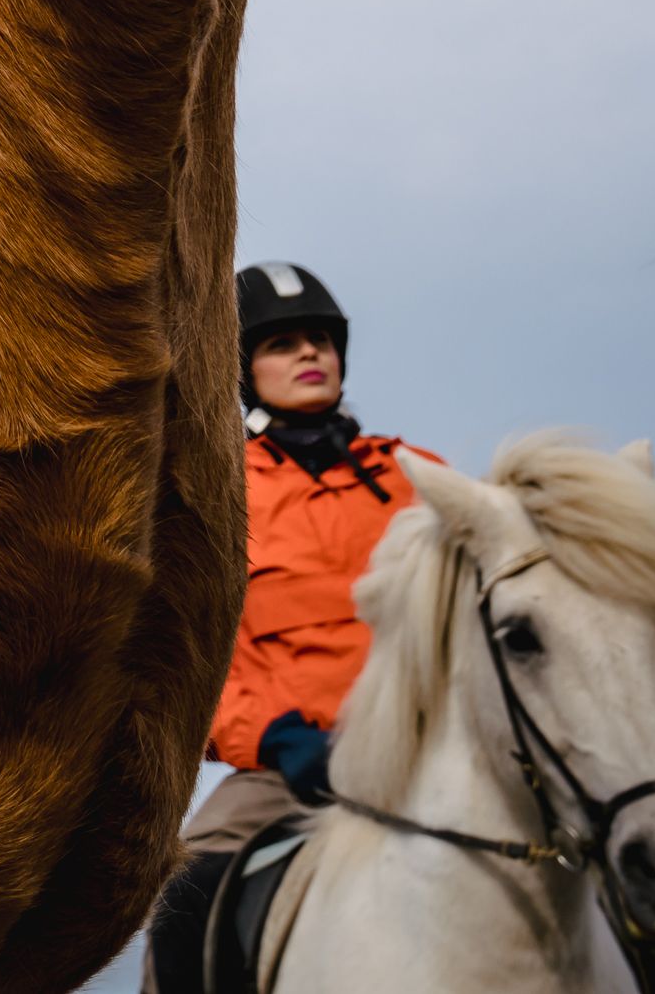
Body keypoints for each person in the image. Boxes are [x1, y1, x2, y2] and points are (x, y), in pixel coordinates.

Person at [184, 261, 445, 860]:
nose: (310, 354)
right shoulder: (216, 495)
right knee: (184, 887)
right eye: (282, 344)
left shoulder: (419, 477)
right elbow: (189, 661)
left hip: (434, 751)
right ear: (244, 368)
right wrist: (274, 738)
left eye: (320, 340)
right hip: (292, 768)